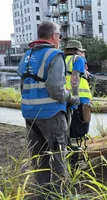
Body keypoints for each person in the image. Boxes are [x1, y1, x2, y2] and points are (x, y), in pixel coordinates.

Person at [17, 21, 79, 199]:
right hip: (50, 114)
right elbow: (55, 88)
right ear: (53, 36)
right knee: (59, 155)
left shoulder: (27, 55)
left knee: (39, 157)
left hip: (29, 114)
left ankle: (42, 194)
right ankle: (60, 195)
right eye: (59, 35)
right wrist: (70, 98)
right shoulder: (54, 55)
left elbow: (23, 85)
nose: (59, 39)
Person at [64, 40, 93, 161]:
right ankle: (76, 159)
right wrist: (75, 97)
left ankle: (68, 153)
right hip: (79, 98)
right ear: (78, 50)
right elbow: (75, 78)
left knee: (68, 127)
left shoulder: (61, 59)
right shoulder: (78, 59)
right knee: (80, 128)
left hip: (65, 96)